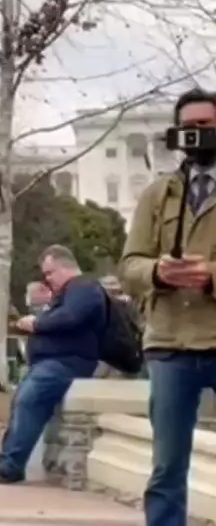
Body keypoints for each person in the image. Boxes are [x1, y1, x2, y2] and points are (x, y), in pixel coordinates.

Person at [118, 88, 216, 526]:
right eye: (190, 127)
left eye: (207, 127)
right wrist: (158, 272)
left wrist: (211, 276)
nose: (198, 135)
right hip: (170, 344)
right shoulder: (158, 194)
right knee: (167, 468)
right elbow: (128, 265)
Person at [0, 245, 106, 484]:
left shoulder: (84, 289)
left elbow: (69, 318)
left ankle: (9, 467)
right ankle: (5, 462)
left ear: (66, 266)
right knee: (22, 400)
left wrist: (36, 324)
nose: (47, 279)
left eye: (50, 272)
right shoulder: (71, 292)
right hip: (54, 363)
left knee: (29, 399)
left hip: (65, 364)